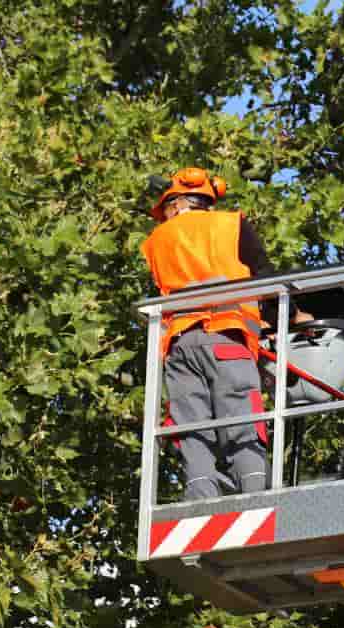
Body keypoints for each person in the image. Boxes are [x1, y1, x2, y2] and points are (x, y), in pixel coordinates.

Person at [140, 168, 309, 500]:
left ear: (177, 203)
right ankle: (256, 492)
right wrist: (288, 317)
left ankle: (200, 494)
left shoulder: (156, 240)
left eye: (167, 209)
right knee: (241, 412)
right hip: (226, 336)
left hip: (179, 345)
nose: (166, 216)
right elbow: (264, 277)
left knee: (191, 423)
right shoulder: (230, 225)